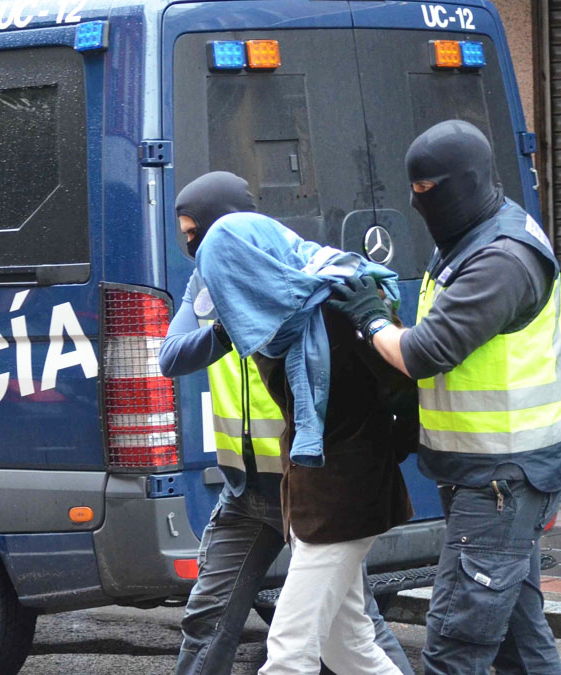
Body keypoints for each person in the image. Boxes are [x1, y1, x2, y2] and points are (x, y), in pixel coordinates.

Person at [328, 120, 561, 674]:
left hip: (502, 477)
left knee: (456, 644)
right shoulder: (468, 239)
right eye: (414, 191)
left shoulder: (501, 259)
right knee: (518, 640)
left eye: (430, 191)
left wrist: (369, 321)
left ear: (467, 182)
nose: (421, 204)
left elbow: (426, 351)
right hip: (488, 472)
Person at [163, 172, 413, 675]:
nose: (191, 248)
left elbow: (400, 377)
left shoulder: (326, 299)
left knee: (290, 647)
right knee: (348, 645)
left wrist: (401, 435)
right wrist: (230, 327)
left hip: (338, 494)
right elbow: (173, 354)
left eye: (197, 233)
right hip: (278, 487)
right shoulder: (244, 294)